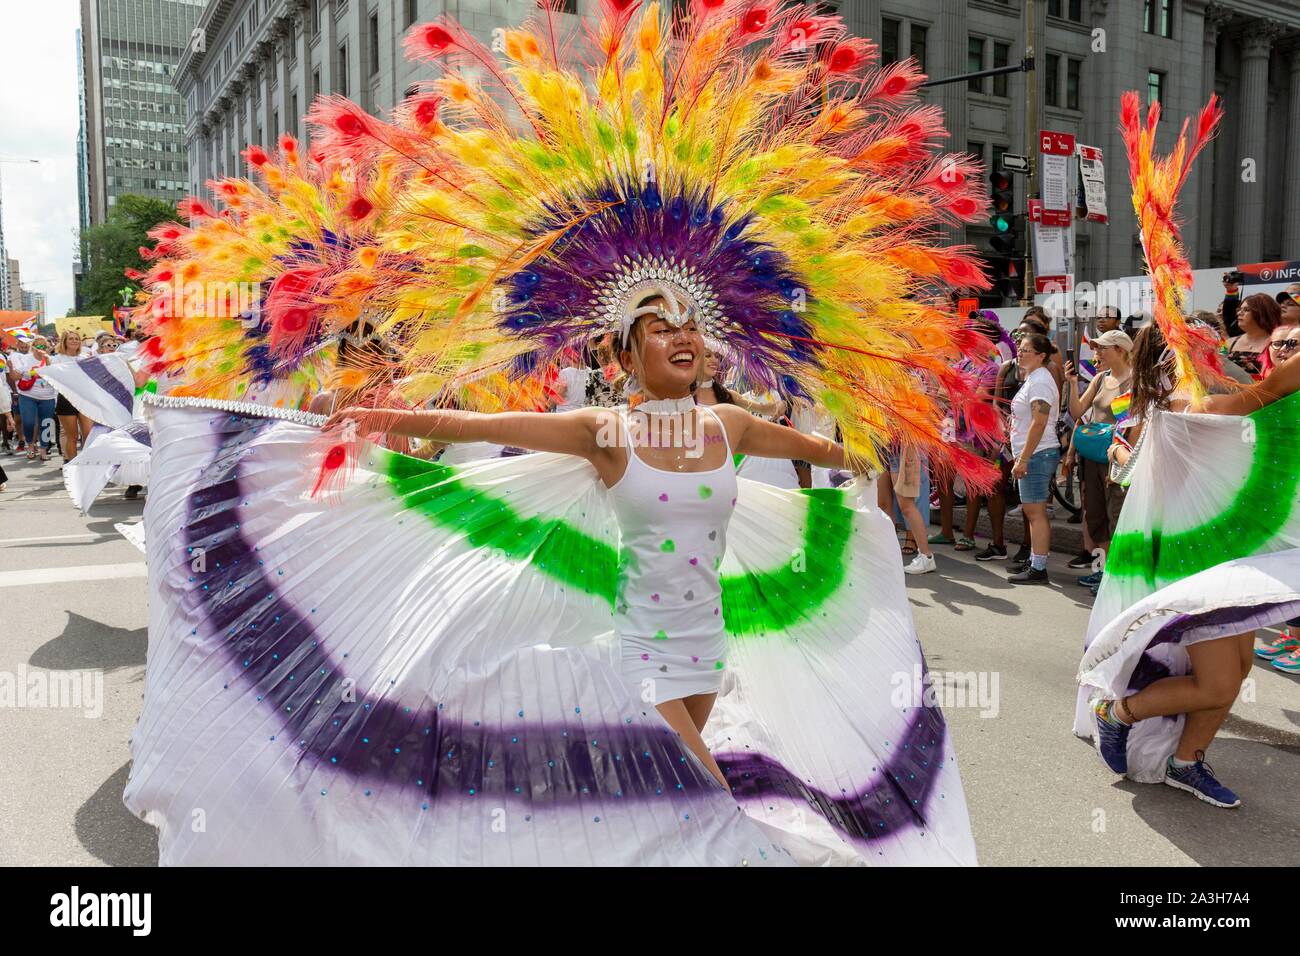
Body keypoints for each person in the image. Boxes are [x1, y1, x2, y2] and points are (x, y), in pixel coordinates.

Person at [1063, 329, 1133, 592]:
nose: (1096, 353)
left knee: (1115, 515)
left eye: (1102, 348)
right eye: (1096, 348)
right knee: (1095, 515)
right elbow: (1078, 411)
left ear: (1121, 350)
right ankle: (1100, 571)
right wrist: (1071, 383)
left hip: (1117, 457)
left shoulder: (1135, 380)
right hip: (1092, 456)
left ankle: (1115, 576)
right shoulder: (1101, 378)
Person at [1006, 333, 1060, 584]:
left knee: (1035, 511)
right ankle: (1034, 562)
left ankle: (1038, 567)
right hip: (1033, 453)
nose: (1020, 352)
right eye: (1020, 348)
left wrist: (1024, 458)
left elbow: (1039, 422)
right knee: (1032, 511)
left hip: (1038, 454)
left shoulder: (1040, 382)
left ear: (1041, 356)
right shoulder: (1034, 379)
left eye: (1027, 350)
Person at [9, 335, 57, 461]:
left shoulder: (51, 359)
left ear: (47, 348)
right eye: (38, 346)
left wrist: (47, 360)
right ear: (33, 347)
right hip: (28, 395)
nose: (41, 349)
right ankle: (30, 445)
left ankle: (44, 449)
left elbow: (55, 376)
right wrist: (10, 368)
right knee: (29, 422)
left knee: (45, 424)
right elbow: (15, 377)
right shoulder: (25, 359)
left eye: (44, 346)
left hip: (48, 396)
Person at [51, 330, 95, 463]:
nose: (75, 341)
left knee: (88, 436)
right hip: (66, 399)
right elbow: (56, 379)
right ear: (64, 341)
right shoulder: (57, 359)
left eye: (77, 339)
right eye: (71, 339)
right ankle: (73, 466)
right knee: (72, 436)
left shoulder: (85, 356)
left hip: (84, 398)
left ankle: (88, 464)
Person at [1224, 293, 1280, 377]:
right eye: (1239, 309)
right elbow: (1217, 369)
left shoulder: (1277, 344)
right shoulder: (1228, 343)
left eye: (1246, 310)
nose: (1239, 313)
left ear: (1262, 313)